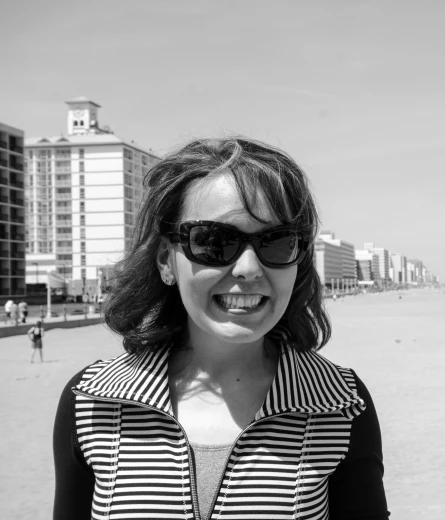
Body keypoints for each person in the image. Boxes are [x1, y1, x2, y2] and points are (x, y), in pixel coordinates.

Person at [52, 138, 389, 519]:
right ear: (166, 259)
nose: (248, 268)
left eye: (276, 242)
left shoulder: (340, 405)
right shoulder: (94, 402)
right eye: (214, 242)